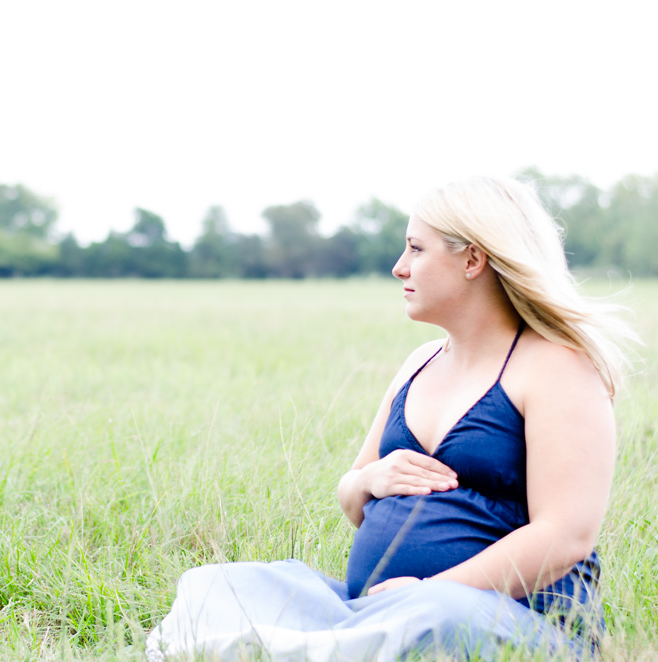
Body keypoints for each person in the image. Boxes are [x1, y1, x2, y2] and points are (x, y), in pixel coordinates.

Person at [146, 176, 635, 661]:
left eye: (416, 249)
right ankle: (338, 641)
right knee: (218, 586)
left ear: (472, 259)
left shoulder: (557, 366)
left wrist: (426, 592)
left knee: (437, 618)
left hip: (500, 621)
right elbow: (352, 498)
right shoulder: (421, 362)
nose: (400, 268)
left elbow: (565, 535)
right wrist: (371, 480)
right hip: (380, 612)